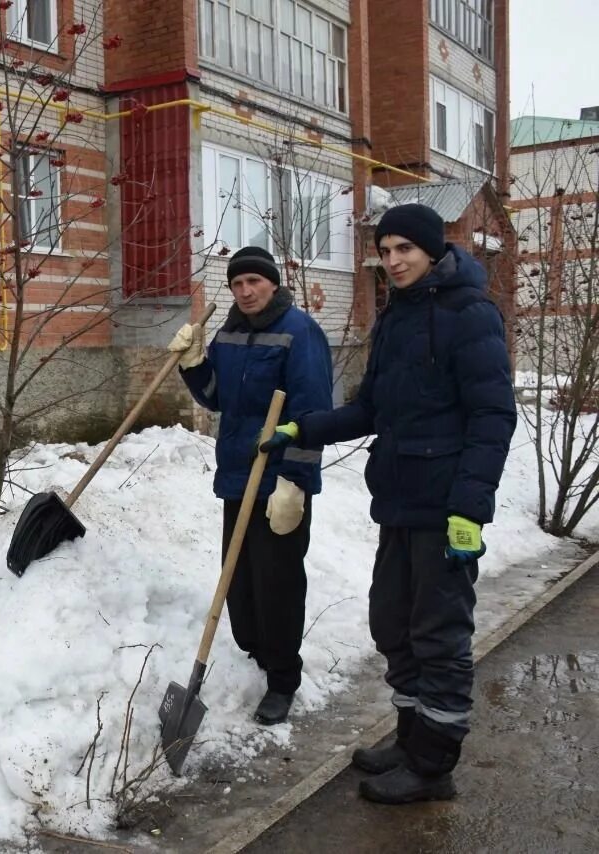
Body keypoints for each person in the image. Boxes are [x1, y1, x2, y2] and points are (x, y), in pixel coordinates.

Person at [261, 203, 516, 803]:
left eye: (405, 248)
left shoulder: (469, 314)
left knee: (438, 636)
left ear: (431, 250)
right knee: (393, 626)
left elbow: (492, 415)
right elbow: (371, 409)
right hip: (398, 500)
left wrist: (469, 510)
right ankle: (411, 738)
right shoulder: (397, 317)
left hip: (445, 508)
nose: (394, 260)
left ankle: (433, 768)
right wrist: (305, 429)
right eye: (386, 249)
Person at [174, 246, 334, 726]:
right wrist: (194, 363)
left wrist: (296, 481)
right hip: (238, 476)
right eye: (237, 284)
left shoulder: (300, 332)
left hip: (279, 481)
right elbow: (218, 398)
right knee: (240, 583)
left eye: (254, 283)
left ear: (272, 283)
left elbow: (314, 414)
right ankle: (256, 656)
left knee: (277, 585)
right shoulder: (230, 333)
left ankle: (283, 680)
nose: (245, 292)